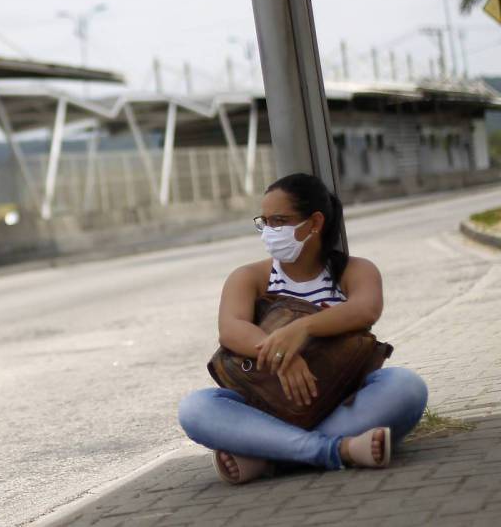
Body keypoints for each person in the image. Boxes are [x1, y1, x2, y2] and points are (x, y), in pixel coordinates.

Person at [177, 173, 428, 484]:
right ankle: (340, 450)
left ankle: (271, 456)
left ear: (315, 223)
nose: (270, 231)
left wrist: (303, 328)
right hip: (268, 407)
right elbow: (230, 329)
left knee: (405, 387)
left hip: (341, 405)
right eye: (264, 222)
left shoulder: (355, 270)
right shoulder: (249, 277)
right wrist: (285, 354)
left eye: (279, 220)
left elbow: (366, 310)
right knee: (196, 409)